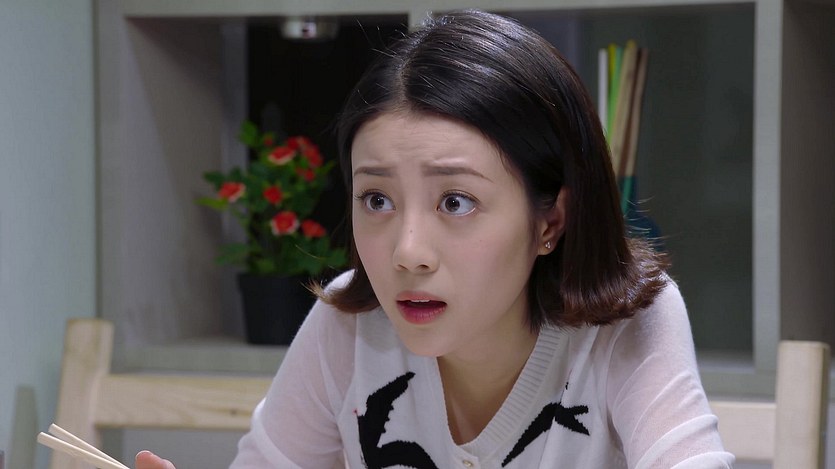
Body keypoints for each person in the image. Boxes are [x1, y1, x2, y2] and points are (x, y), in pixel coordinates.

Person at [137, 10, 733, 469]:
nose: (407, 253)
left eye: (456, 202)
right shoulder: (350, 322)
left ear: (550, 221)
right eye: (377, 200)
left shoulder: (627, 324)